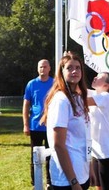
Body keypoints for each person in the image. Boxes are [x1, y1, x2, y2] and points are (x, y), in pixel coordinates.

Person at [40, 52, 90, 190]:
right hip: (67, 180)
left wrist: (87, 168)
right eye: (69, 68)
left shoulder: (78, 98)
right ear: (61, 72)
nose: (75, 71)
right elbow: (59, 145)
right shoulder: (61, 100)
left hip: (81, 173)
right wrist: (74, 182)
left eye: (78, 67)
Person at [22, 59, 54, 187]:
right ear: (37, 69)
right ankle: (35, 182)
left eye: (45, 67)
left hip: (51, 126)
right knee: (35, 156)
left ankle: (50, 182)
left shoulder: (55, 83)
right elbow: (26, 105)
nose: (43, 69)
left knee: (51, 156)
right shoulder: (31, 84)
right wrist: (26, 124)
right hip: (35, 126)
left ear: (49, 68)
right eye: (40, 67)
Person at [87, 72, 109, 190]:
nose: (94, 77)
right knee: (98, 187)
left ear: (106, 85)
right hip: (96, 151)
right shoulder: (96, 94)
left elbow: (82, 100)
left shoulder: (105, 96)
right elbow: (78, 88)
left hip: (107, 153)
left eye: (99, 77)